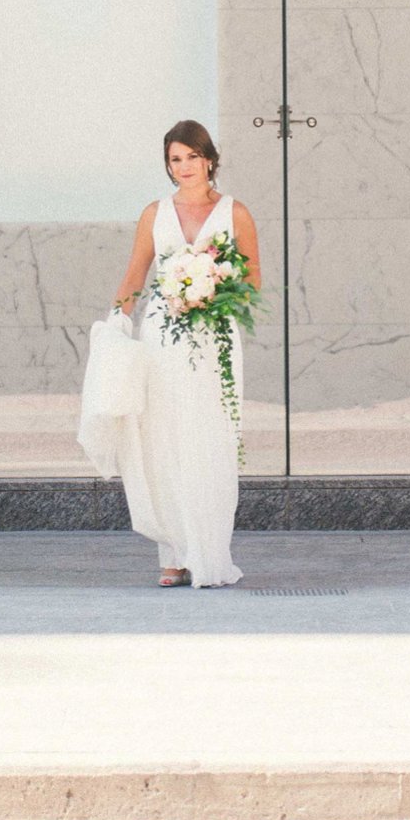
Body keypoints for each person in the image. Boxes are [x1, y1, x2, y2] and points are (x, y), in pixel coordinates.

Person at [112, 121, 261, 589]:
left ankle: (210, 551)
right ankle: (173, 554)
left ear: (209, 159)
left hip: (214, 337)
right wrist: (115, 322)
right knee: (166, 438)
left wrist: (212, 292)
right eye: (175, 160)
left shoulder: (235, 213)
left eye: (192, 157)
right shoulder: (154, 214)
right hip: (163, 336)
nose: (184, 168)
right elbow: (135, 276)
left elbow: (253, 284)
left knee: (210, 439)